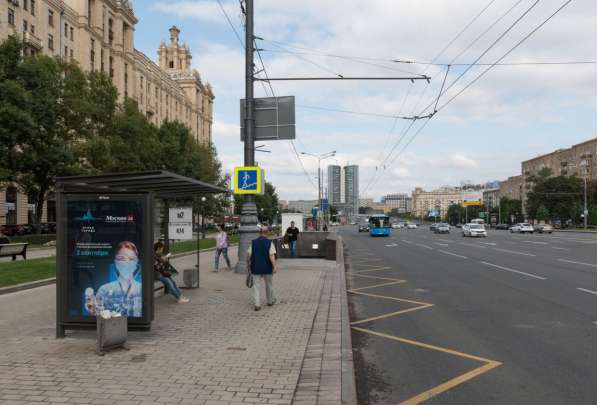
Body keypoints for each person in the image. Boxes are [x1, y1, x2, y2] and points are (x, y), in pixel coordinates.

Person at [87, 241, 143, 317]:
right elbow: (96, 315)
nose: (126, 263)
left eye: (131, 259)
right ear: (116, 263)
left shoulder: (142, 289)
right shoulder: (104, 290)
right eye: (122, 259)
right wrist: (92, 309)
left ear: (136, 264)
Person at [246, 225, 277, 311]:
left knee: (256, 286)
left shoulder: (253, 242)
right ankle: (270, 301)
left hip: (255, 267)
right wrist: (274, 266)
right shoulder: (269, 243)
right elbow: (272, 257)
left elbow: (248, 255)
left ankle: (257, 304)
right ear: (267, 232)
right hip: (267, 267)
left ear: (259, 232)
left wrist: (248, 265)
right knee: (269, 285)